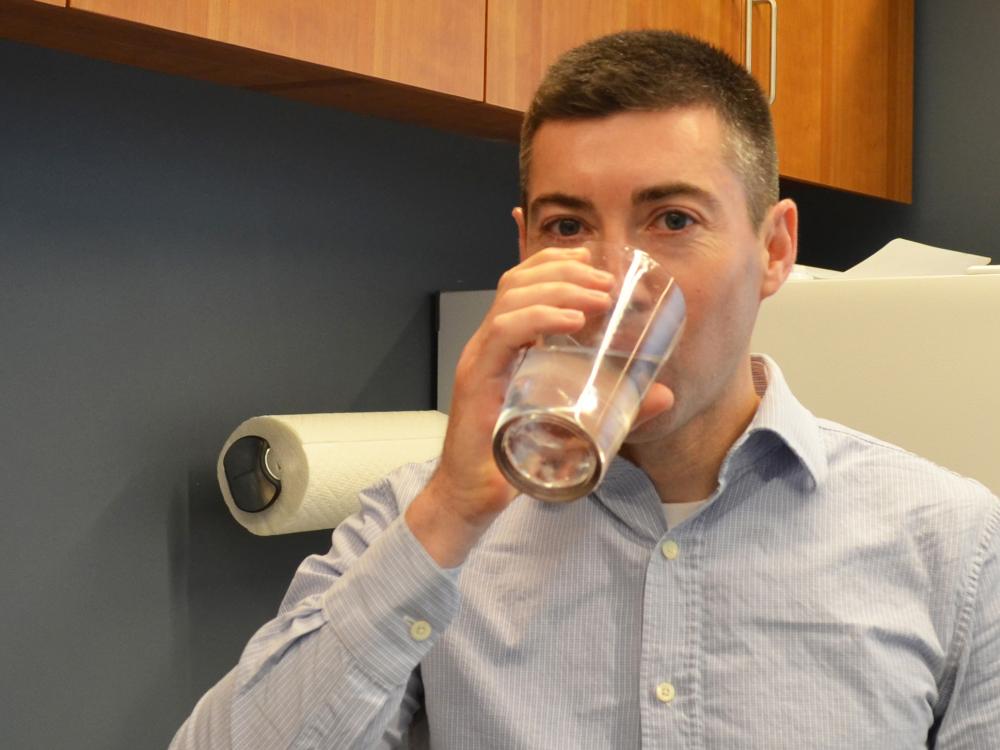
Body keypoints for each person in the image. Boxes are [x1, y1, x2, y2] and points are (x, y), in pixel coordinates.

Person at [170, 30, 1000, 749]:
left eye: (672, 220)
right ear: (525, 247)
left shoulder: (953, 544)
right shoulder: (416, 523)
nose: (613, 282)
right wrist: (449, 517)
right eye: (568, 227)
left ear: (774, 248)